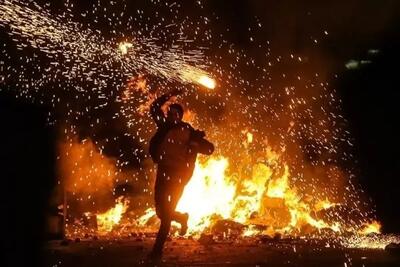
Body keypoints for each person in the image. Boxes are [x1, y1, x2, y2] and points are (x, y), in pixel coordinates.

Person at [148, 89, 214, 259]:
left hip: (178, 177)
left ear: (180, 116)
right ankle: (182, 218)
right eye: (170, 112)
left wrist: (195, 144)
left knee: (167, 213)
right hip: (163, 172)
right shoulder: (164, 126)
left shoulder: (188, 131)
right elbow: (155, 107)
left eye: (175, 113)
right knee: (161, 213)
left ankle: (157, 251)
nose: (171, 115)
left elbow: (209, 148)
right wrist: (169, 96)